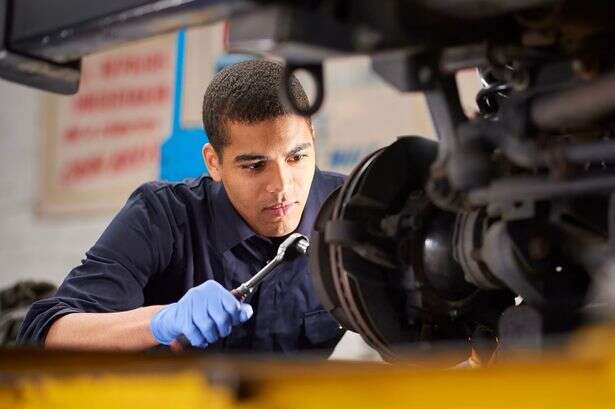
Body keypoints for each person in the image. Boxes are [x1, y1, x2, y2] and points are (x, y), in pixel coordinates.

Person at [18, 60, 345, 356]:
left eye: (296, 157)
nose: (282, 186)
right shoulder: (159, 217)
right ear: (214, 163)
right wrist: (160, 322)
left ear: (312, 138)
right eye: (255, 166)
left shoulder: (351, 211)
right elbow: (44, 335)